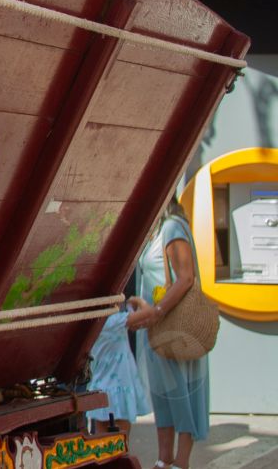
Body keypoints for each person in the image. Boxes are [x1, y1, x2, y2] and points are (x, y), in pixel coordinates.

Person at [136, 199, 210, 469]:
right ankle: (163, 458)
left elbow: (186, 277)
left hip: (173, 325)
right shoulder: (158, 230)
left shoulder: (171, 228)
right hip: (157, 327)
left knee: (180, 392)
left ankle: (181, 461)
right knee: (162, 393)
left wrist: (157, 311)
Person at [86, 296, 152, 443]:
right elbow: (149, 313)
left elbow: (134, 322)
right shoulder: (114, 321)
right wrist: (139, 301)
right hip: (118, 388)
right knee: (122, 438)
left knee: (100, 440)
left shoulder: (97, 323)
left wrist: (129, 308)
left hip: (100, 387)